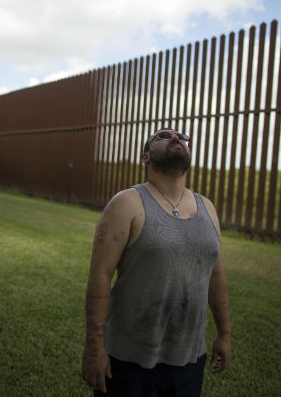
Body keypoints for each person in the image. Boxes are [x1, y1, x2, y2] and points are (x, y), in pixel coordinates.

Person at [81, 128, 231, 396]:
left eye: (183, 137)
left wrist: (224, 334)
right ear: (145, 157)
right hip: (129, 362)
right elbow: (100, 276)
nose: (176, 139)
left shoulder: (207, 208)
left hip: (190, 360)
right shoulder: (127, 203)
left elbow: (216, 275)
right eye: (163, 136)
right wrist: (95, 347)